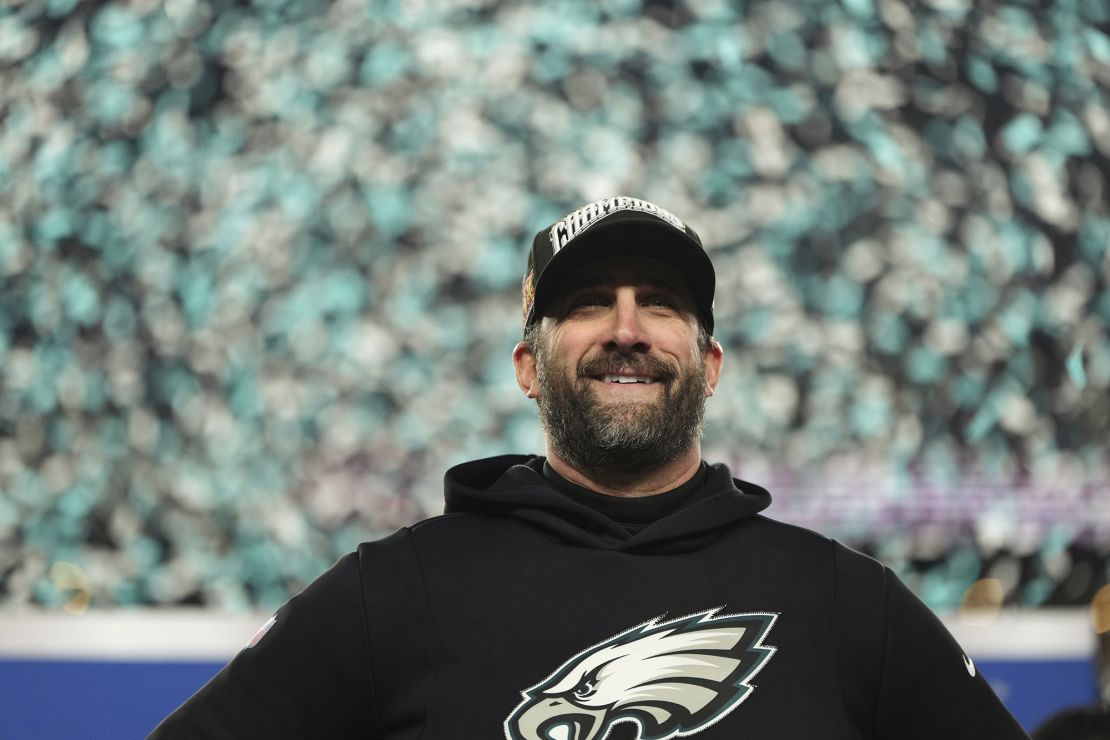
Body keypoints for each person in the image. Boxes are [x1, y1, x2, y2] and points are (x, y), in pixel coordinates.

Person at [151, 196, 1030, 739]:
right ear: (529, 367)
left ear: (711, 364)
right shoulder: (396, 591)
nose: (625, 328)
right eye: (585, 304)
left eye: (660, 303)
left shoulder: (848, 603)